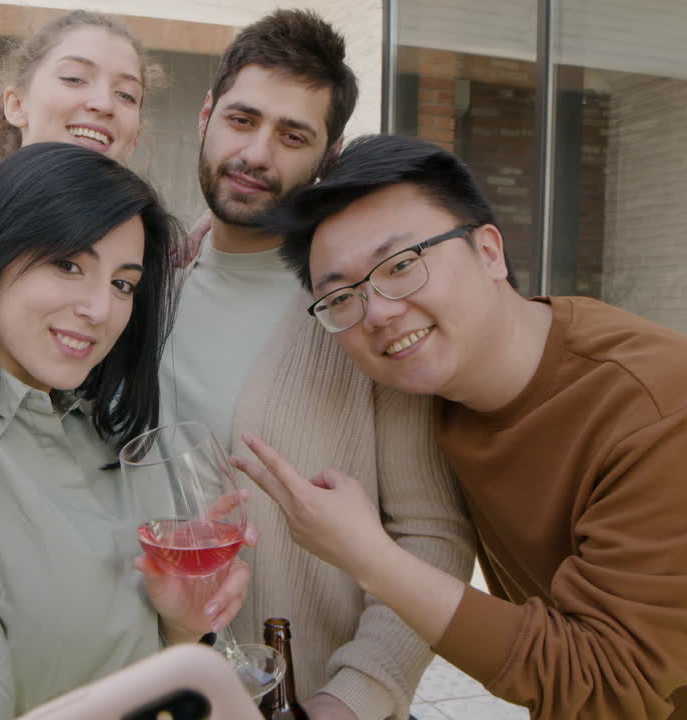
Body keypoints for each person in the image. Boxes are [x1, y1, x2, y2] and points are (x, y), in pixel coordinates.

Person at [241, 133, 687, 720]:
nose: (380, 311)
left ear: (489, 251)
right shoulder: (435, 393)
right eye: (341, 297)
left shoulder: (663, 411)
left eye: (402, 264)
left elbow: (610, 682)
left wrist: (368, 556)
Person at [0, 142, 252, 719]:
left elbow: (116, 671)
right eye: (68, 264)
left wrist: (180, 624)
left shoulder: (95, 430)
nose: (100, 309)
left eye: (123, 284)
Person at [159, 10, 475, 720]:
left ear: (327, 155)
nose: (256, 154)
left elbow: (433, 534)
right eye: (242, 119)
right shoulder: (141, 291)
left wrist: (350, 699)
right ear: (208, 115)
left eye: (292, 135)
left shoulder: (361, 312)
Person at [0, 9, 152, 197]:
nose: (104, 104)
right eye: (74, 78)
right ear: (17, 105)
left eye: (126, 95)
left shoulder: (147, 225)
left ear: (134, 138)